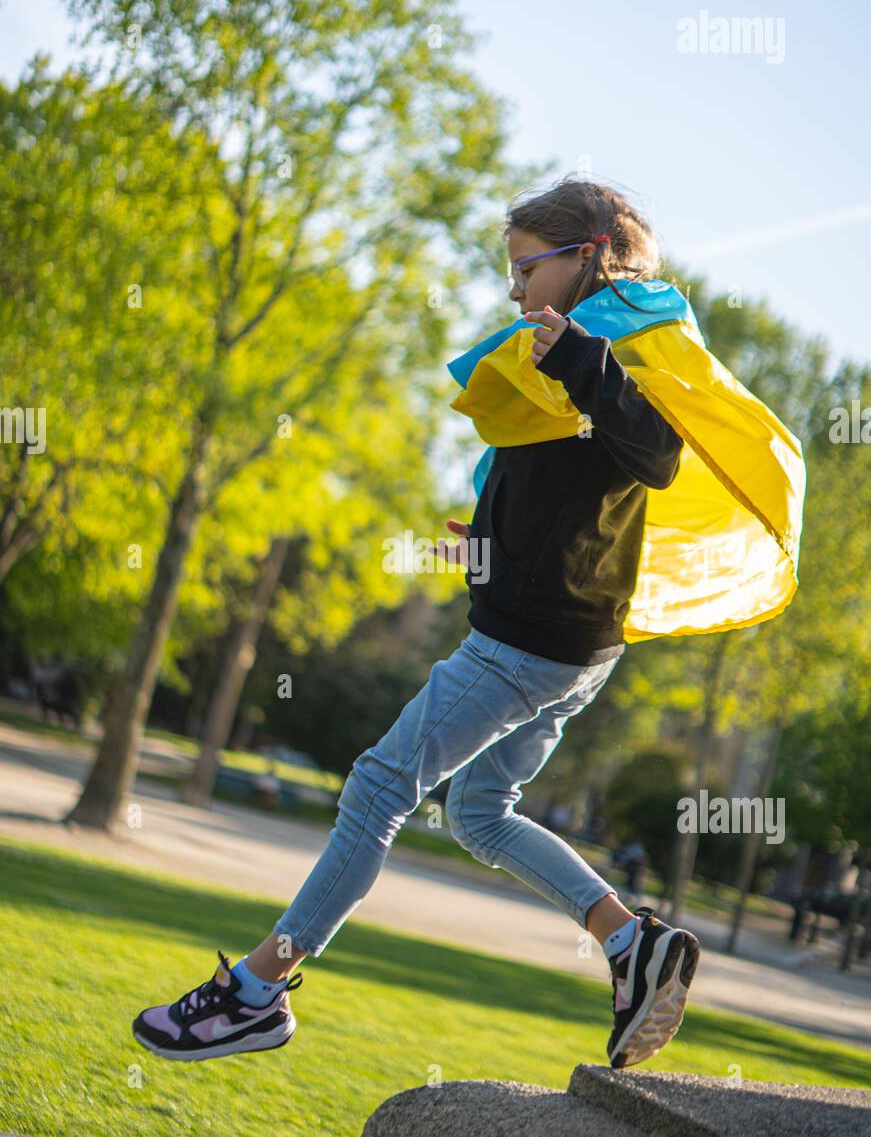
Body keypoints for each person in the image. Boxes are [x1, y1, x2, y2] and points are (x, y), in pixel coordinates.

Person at [133, 178, 701, 1071]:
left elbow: (659, 458)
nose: (514, 289)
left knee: (375, 790)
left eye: (525, 268)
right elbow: (575, 502)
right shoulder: (570, 355)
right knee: (479, 813)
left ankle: (255, 992)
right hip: (573, 642)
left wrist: (584, 362)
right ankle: (631, 945)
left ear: (586, 256)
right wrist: (481, 544)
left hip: (528, 642)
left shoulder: (614, 347)